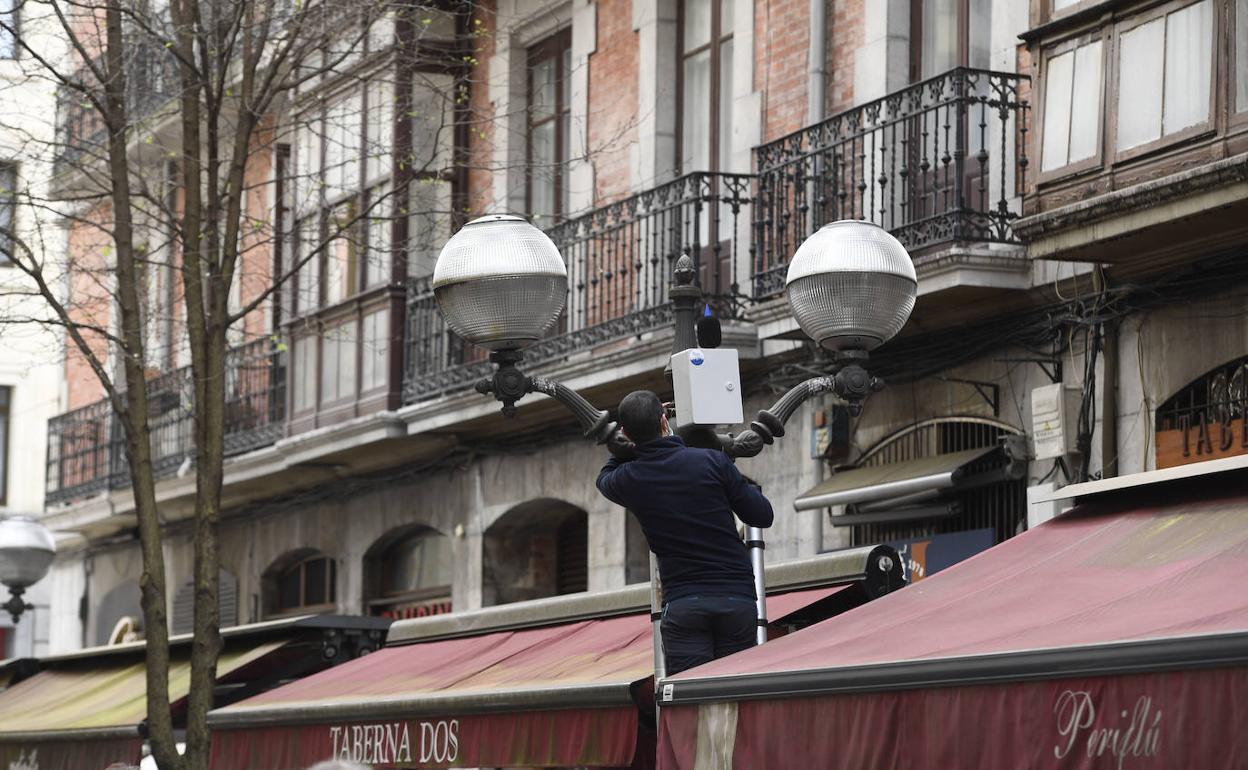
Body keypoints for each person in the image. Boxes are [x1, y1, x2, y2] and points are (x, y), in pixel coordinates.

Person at [596, 389, 774, 675]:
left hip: (684, 604)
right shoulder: (713, 462)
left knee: (693, 698)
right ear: (665, 422)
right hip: (735, 598)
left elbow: (604, 476)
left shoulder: (629, 479)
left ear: (627, 433)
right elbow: (762, 516)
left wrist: (625, 445)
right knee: (736, 693)